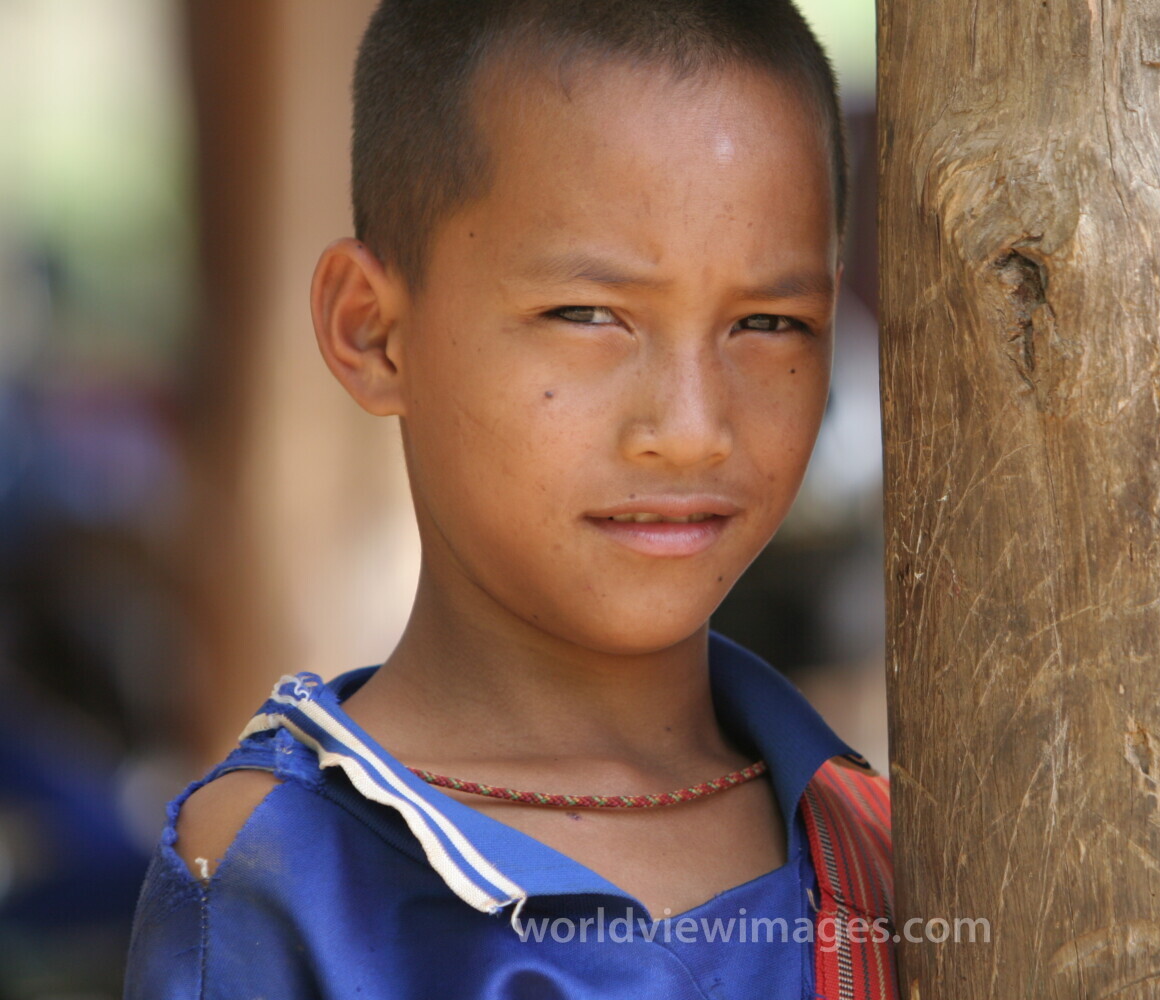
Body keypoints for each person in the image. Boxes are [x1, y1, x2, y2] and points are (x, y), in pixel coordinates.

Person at [123, 1, 895, 997]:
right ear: (373, 332)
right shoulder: (286, 876)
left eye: (770, 323)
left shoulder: (875, 840)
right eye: (588, 314)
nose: (693, 427)